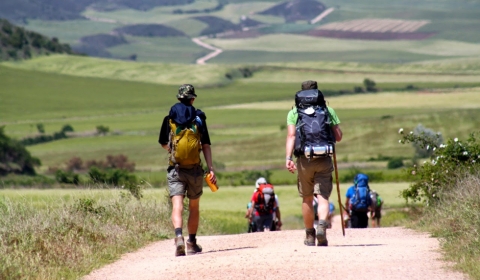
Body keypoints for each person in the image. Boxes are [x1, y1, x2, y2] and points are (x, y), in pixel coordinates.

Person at [158, 84, 217, 257]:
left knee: (177, 205)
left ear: (178, 98)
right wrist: (211, 168)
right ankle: (191, 242)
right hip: (195, 170)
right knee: (194, 206)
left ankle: (178, 237)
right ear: (192, 99)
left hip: (176, 169)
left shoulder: (169, 118)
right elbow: (205, 145)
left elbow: (163, 142)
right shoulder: (199, 118)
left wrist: (173, 152)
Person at [285, 80, 343, 246]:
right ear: (318, 93)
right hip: (324, 158)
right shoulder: (328, 110)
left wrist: (288, 158)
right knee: (323, 196)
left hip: (304, 160)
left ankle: (310, 236)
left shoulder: (294, 112)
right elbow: (338, 137)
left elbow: (291, 136)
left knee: (307, 198)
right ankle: (322, 226)